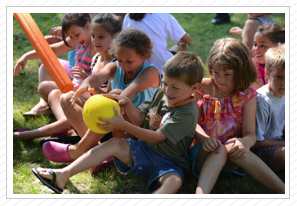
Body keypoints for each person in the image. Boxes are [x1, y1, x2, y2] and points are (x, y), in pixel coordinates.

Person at [31, 51, 204, 194]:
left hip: (171, 162)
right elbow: (139, 120)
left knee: (174, 182)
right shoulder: (162, 93)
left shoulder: (188, 111)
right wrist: (126, 103)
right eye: (165, 83)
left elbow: (157, 137)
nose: (167, 90)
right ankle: (62, 175)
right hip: (145, 150)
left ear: (194, 89)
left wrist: (122, 125)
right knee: (114, 143)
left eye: (175, 87)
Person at [41, 28, 161, 164]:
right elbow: (97, 78)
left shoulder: (151, 72)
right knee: (67, 98)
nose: (124, 66)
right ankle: (97, 151)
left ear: (144, 56)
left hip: (136, 129)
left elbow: (127, 94)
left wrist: (101, 96)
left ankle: (78, 151)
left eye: (129, 61)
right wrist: (86, 84)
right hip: (111, 125)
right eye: (120, 60)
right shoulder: (116, 66)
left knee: (117, 96)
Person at [189, 38, 285, 194]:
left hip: (232, 159)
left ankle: (283, 190)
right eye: (216, 73)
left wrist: (245, 142)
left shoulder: (247, 95)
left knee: (233, 148)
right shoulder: (202, 87)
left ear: (241, 71)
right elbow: (192, 123)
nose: (220, 79)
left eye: (227, 74)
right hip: (204, 151)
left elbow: (250, 134)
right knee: (219, 149)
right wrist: (204, 139)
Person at [13, 13, 121, 141]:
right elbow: (53, 50)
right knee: (55, 94)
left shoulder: (115, 64)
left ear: (116, 36)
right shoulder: (96, 58)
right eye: (93, 36)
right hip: (89, 100)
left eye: (101, 37)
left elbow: (108, 98)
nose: (95, 41)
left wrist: (87, 82)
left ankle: (30, 135)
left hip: (100, 112)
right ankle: (69, 131)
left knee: (66, 98)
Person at [13, 14, 96, 117]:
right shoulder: (78, 40)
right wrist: (26, 56)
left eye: (76, 34)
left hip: (86, 92)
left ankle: (56, 109)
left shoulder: (95, 44)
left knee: (44, 87)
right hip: (75, 84)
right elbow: (53, 50)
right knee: (45, 66)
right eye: (70, 36)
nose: (75, 39)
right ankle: (45, 104)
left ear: (88, 27)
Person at [122, 13, 193, 75]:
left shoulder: (128, 17)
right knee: (181, 47)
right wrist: (182, 40)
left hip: (137, 66)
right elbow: (187, 39)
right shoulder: (163, 15)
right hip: (162, 66)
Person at [252, 44, 285, 172]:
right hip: (263, 151)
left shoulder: (283, 93)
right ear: (267, 73)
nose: (284, 83)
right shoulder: (262, 101)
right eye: (278, 76)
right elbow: (256, 142)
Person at [251, 23, 285, 90]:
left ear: (279, 47)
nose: (256, 49)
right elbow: (259, 94)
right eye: (255, 44)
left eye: (262, 45)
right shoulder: (253, 66)